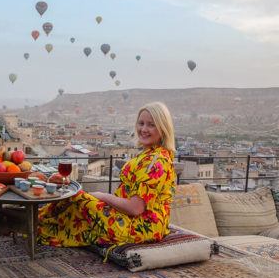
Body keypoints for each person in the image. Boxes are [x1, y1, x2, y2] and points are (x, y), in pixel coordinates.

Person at [37, 102, 176, 257]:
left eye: (151, 125)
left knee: (80, 199)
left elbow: (136, 209)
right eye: (141, 123)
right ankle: (35, 221)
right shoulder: (152, 154)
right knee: (79, 200)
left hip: (141, 227)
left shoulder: (156, 162)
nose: (143, 129)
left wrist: (101, 196)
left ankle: (34, 224)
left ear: (163, 128)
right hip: (137, 220)